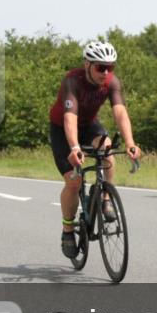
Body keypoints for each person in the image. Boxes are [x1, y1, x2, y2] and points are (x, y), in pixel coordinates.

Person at [49, 41, 142, 259]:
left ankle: (106, 196)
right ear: (87, 64)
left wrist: (130, 142)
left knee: (108, 148)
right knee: (74, 182)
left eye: (111, 67)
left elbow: (120, 112)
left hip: (89, 125)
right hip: (63, 129)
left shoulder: (111, 82)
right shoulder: (72, 81)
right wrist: (74, 147)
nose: (106, 72)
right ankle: (68, 230)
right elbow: (69, 117)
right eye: (101, 67)